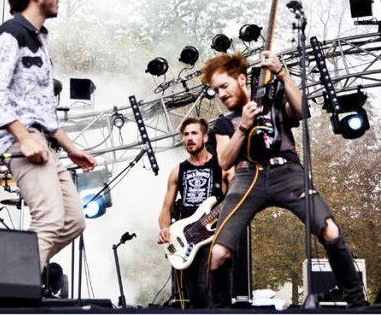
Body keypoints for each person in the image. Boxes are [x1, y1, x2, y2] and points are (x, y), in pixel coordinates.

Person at [200, 51, 367, 308]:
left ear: (242, 79)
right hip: (246, 178)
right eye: (216, 90)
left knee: (330, 230)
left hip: (286, 172)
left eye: (224, 86)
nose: (221, 94)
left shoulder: (272, 102)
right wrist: (243, 125)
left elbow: (301, 111)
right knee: (219, 254)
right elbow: (223, 161)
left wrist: (282, 74)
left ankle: (358, 305)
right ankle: (219, 312)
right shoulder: (224, 123)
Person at [0, 0, 97, 271]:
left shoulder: (39, 38)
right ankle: (2, 294)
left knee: (73, 221)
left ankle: (4, 273)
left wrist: (71, 148)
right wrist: (23, 138)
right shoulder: (9, 35)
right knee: (49, 221)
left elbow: (43, 110)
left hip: (42, 140)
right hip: (22, 141)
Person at [157, 117, 231, 308]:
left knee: (206, 290)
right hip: (186, 237)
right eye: (186, 134)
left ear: (205, 138)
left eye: (194, 133)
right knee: (195, 295)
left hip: (211, 237)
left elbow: (236, 198)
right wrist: (165, 228)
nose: (189, 138)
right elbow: (165, 209)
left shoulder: (221, 167)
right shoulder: (177, 171)